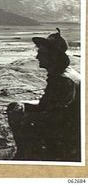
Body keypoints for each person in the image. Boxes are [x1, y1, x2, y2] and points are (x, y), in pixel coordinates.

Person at [7, 28, 81, 161]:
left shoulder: (63, 80)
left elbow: (56, 116)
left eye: (41, 53)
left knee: (20, 117)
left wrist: (25, 115)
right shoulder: (61, 74)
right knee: (16, 106)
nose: (37, 57)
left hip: (68, 132)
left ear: (52, 56)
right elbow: (48, 106)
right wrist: (23, 105)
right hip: (65, 123)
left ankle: (27, 156)